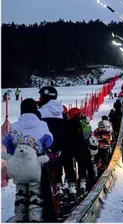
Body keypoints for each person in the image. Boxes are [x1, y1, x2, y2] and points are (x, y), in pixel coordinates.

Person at [3, 98, 53, 222]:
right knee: (35, 193)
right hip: (35, 167)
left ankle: (20, 218)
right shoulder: (42, 125)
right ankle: (35, 219)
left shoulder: (15, 126)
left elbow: (7, 143)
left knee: (21, 193)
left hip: (19, 167)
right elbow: (49, 141)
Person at [38, 86, 64, 221]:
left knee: (43, 183)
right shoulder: (60, 111)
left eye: (41, 97)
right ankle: (57, 201)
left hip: (43, 154)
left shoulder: (40, 113)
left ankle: (45, 213)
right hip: (58, 153)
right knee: (55, 180)